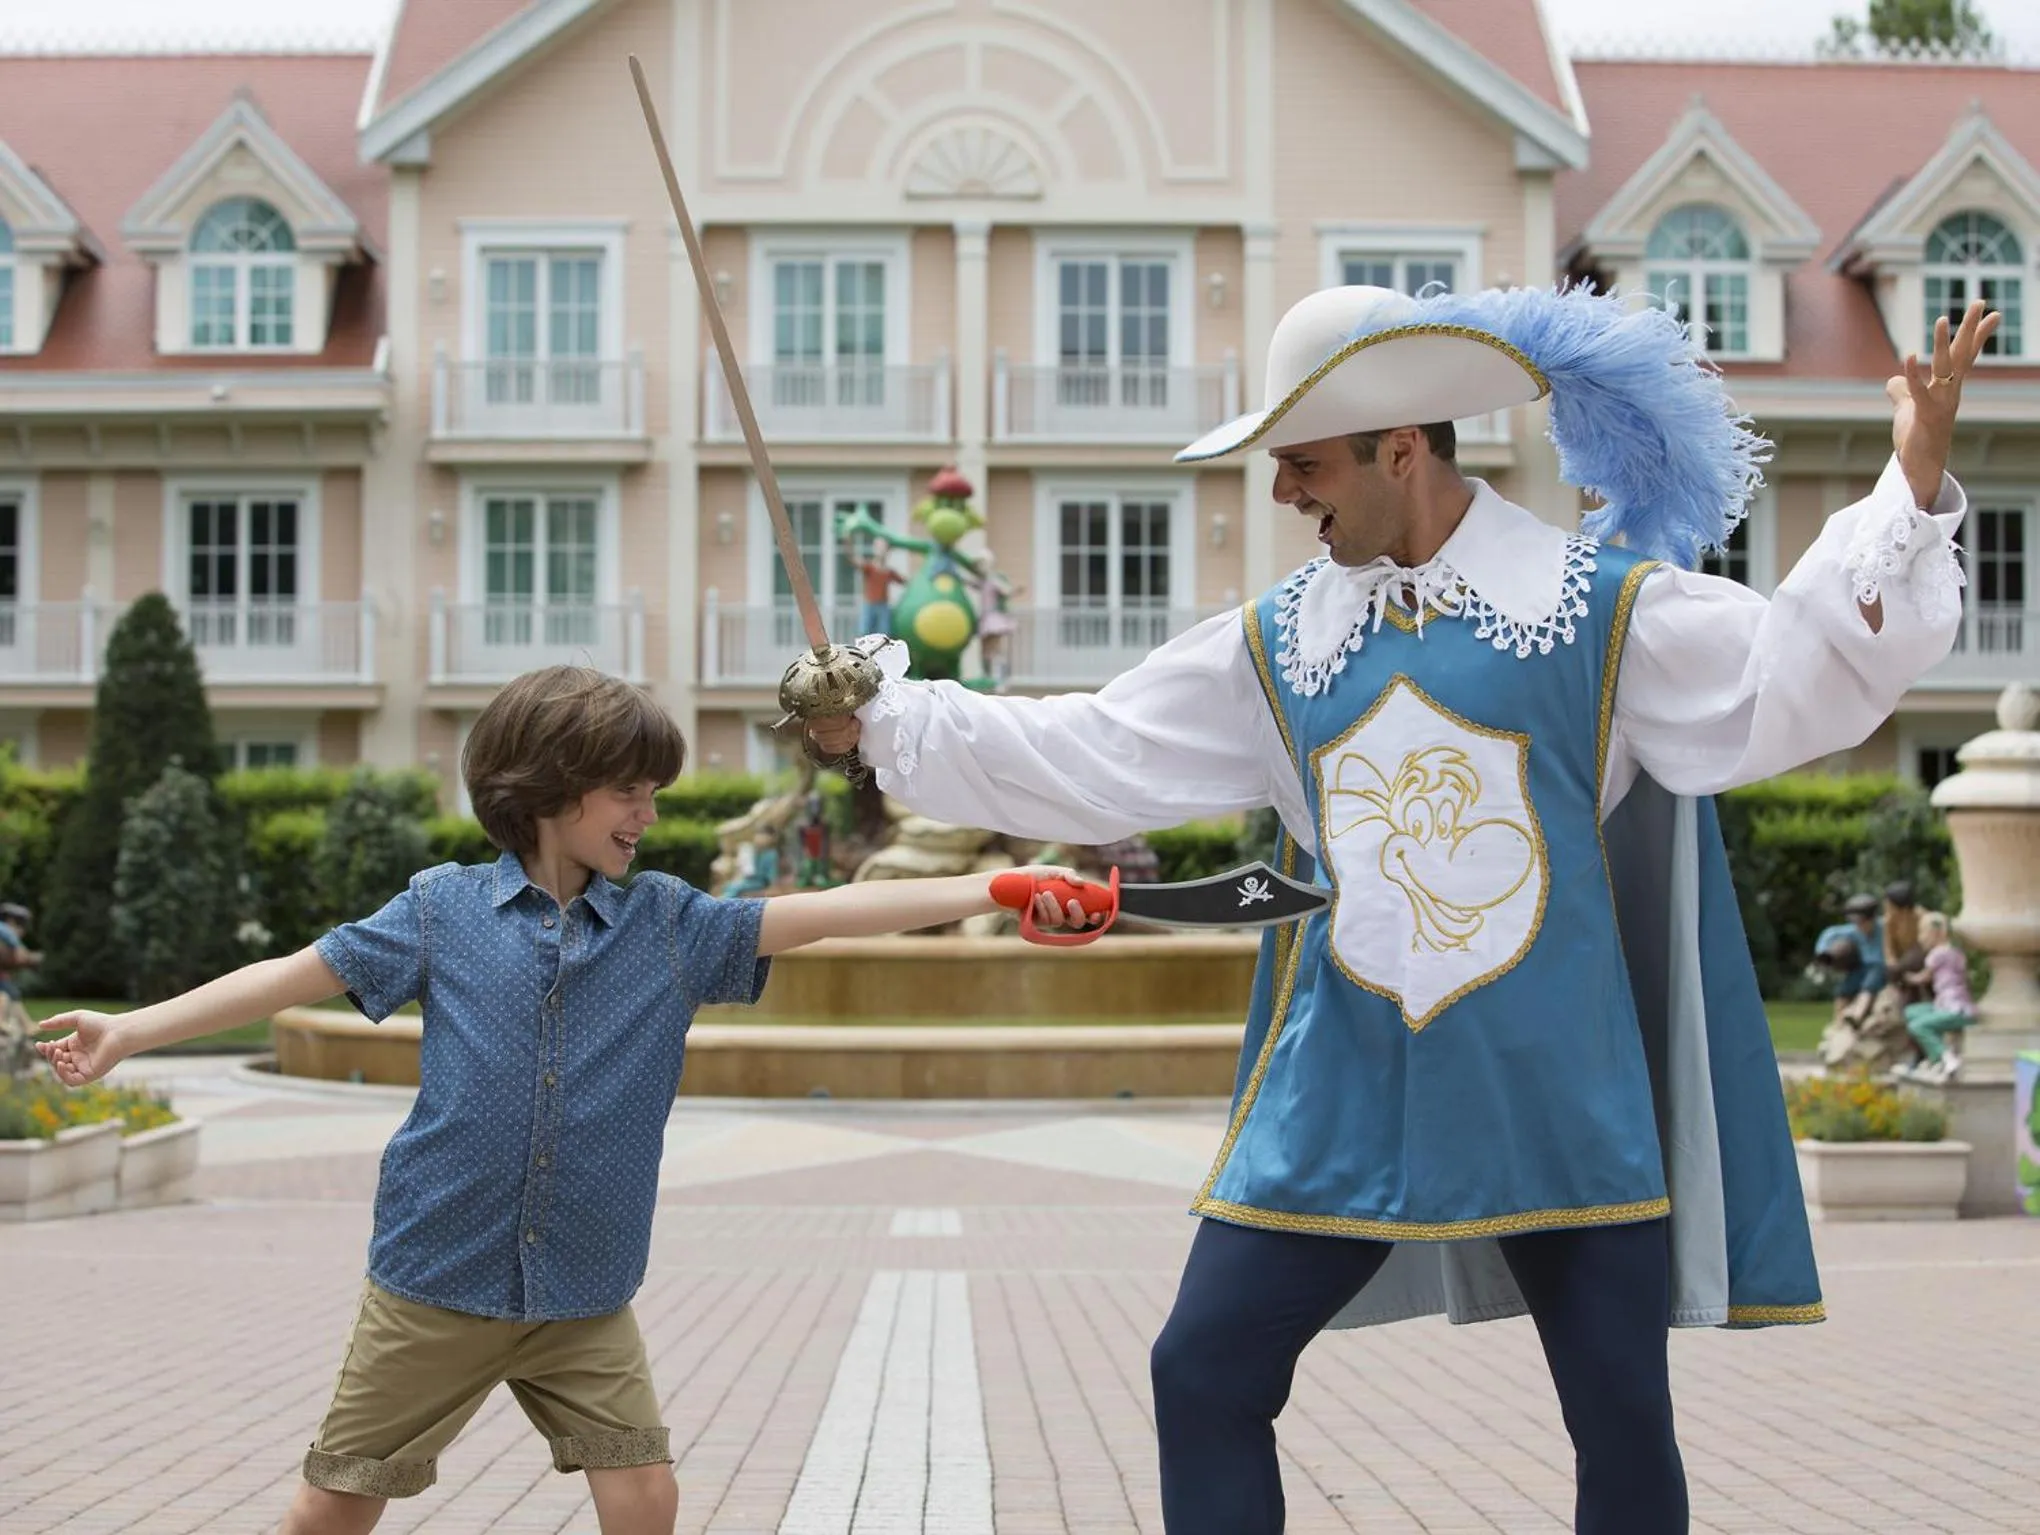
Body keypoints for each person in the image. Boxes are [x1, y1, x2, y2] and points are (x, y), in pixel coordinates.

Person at [802, 281, 1999, 1535]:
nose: (1284, 495)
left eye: (1304, 463)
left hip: (1558, 1092)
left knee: (1621, 1417)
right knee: (1200, 1367)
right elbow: (1095, 747)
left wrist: (1905, 491)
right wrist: (888, 720)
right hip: (1348, 1082)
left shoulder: (1600, 606)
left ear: (1403, 448)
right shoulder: (1281, 642)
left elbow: (1786, 679)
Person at [34, 665, 1094, 1535]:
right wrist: (130, 1027)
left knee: (643, 1494)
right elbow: (296, 971)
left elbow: (822, 913)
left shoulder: (670, 927)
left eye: (651, 791)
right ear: (549, 787)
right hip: (435, 1280)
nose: (649, 812)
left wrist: (993, 888)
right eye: (628, 790)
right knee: (331, 1506)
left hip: (584, 1291)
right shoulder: (442, 911)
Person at [1899, 911, 1975, 1082]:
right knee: (1912, 1012)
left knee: (1917, 1026)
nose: (1920, 938)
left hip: (1953, 1009)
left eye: (1922, 933)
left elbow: (1924, 977)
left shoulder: (1937, 954)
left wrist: (1907, 977)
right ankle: (1935, 1059)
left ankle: (1947, 1058)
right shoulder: (1956, 952)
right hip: (1958, 1006)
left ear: (1935, 934)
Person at [0, 900, 41, 1076]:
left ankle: (24, 1024)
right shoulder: (5, 930)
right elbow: (19, 952)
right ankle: (6, 1021)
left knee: (9, 993)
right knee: (6, 994)